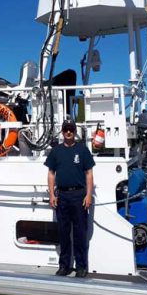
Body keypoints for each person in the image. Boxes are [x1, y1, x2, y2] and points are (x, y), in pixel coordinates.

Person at [45, 118, 95, 278]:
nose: (68, 132)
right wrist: (52, 194)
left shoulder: (82, 150)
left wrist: (88, 194)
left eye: (71, 129)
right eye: (66, 129)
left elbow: (89, 174)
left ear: (74, 132)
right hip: (62, 196)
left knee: (80, 233)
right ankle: (64, 266)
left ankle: (81, 267)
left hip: (79, 196)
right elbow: (51, 174)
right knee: (63, 233)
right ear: (62, 131)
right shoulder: (56, 151)